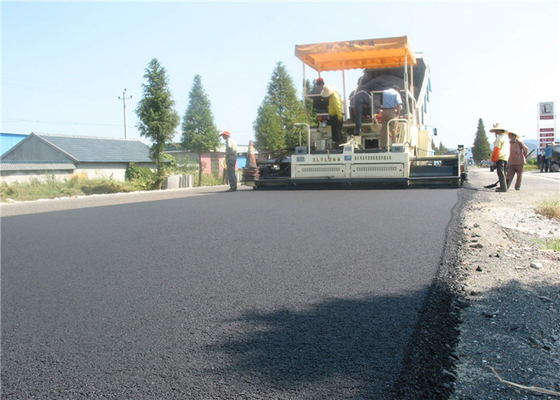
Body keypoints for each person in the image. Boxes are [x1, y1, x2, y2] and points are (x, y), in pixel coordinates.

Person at [489, 123, 510, 192]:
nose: (495, 132)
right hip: (506, 156)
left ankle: (503, 188)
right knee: (504, 172)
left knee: (500, 173)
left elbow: (497, 150)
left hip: (500, 157)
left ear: (500, 130)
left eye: (496, 130)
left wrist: (494, 159)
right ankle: (504, 186)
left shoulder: (499, 138)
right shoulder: (506, 137)